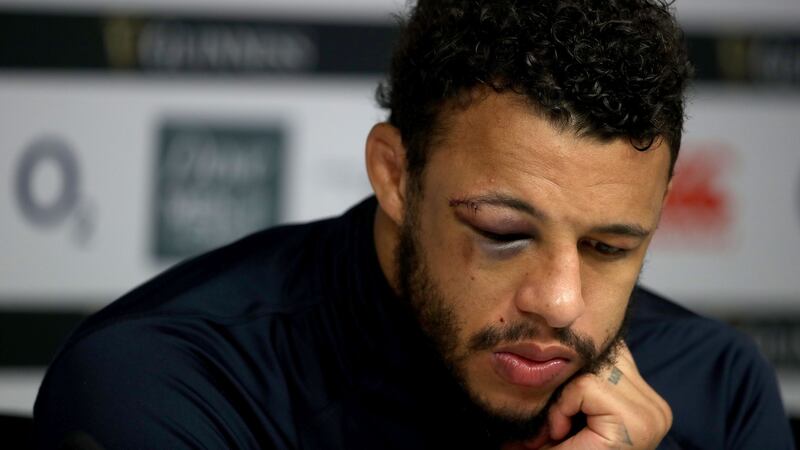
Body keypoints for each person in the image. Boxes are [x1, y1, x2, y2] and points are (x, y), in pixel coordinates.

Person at [35, 0, 793, 449]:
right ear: (396, 176)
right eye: (503, 232)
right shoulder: (170, 383)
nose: (560, 302)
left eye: (609, 247)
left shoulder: (716, 391)